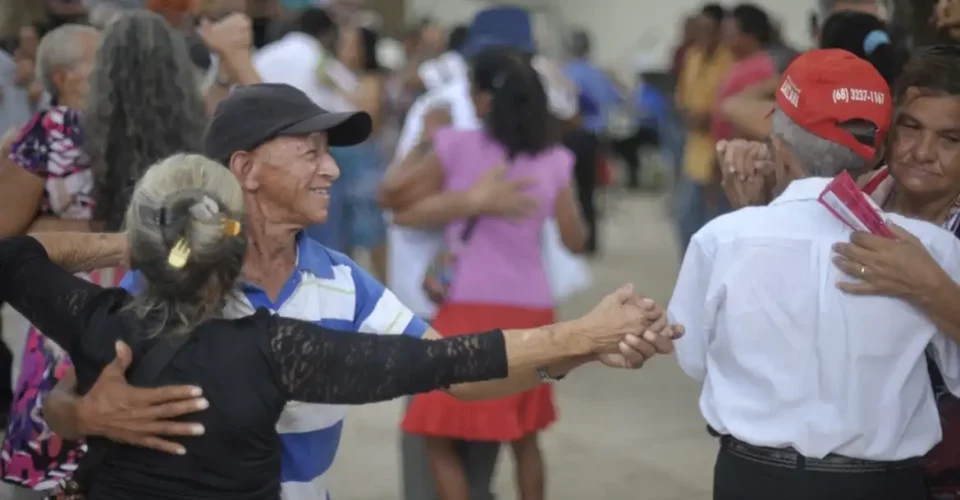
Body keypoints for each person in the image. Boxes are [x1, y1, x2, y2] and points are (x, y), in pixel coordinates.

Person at [41, 82, 676, 500]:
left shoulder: (342, 284)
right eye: (310, 150)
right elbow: (63, 401)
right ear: (246, 170)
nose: (333, 169)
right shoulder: (171, 274)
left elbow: (452, 370)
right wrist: (84, 414)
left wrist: (582, 351)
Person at [671, 49, 960, 500]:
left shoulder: (722, 239)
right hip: (883, 482)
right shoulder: (938, 245)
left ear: (779, 147)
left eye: (950, 139)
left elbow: (693, 357)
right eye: (911, 128)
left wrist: (934, 290)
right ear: (881, 142)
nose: (923, 153)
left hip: (760, 476)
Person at [382, 47, 585, 500]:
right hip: (532, 308)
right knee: (524, 434)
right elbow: (575, 240)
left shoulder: (457, 145)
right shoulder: (554, 159)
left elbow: (396, 199)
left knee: (434, 428)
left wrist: (432, 148)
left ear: (482, 100)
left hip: (466, 307)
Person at [0, 24, 101, 497]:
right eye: (97, 61)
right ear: (65, 76)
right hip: (62, 303)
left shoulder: (121, 126)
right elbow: (7, 231)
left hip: (84, 300)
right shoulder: (48, 131)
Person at [674, 3, 734, 254]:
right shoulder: (693, 56)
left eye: (708, 29)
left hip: (720, 152)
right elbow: (682, 98)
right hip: (693, 152)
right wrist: (688, 114)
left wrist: (709, 118)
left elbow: (732, 108)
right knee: (685, 220)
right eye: (699, 29)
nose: (701, 35)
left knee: (718, 221)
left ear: (720, 30)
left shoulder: (730, 60)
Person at [333, 24, 389, 280]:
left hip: (362, 159)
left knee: (369, 227)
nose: (345, 50)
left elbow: (369, 116)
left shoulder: (369, 79)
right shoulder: (340, 76)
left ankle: (384, 282)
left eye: (351, 44)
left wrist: (338, 87)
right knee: (341, 228)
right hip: (341, 158)